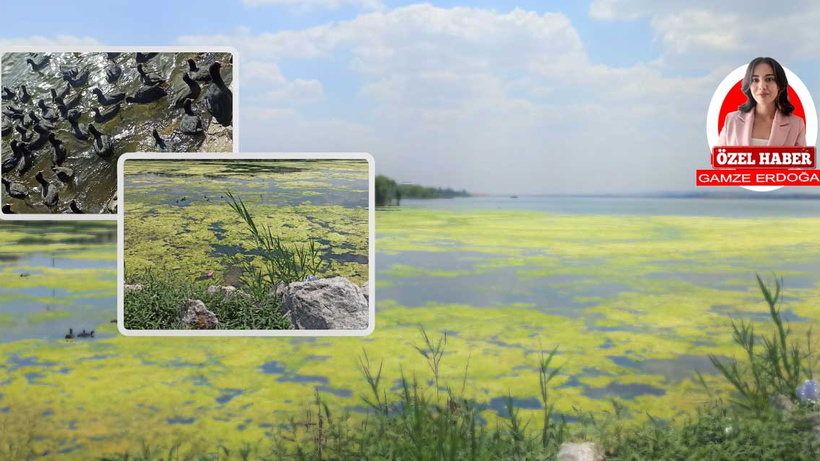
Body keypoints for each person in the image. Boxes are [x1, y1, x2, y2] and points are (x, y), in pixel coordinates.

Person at [718, 57, 806, 146]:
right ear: (749, 85)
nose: (762, 86)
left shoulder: (796, 124)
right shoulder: (731, 120)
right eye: (755, 80)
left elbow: (803, 158)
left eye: (769, 79)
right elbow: (718, 158)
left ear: (779, 84)